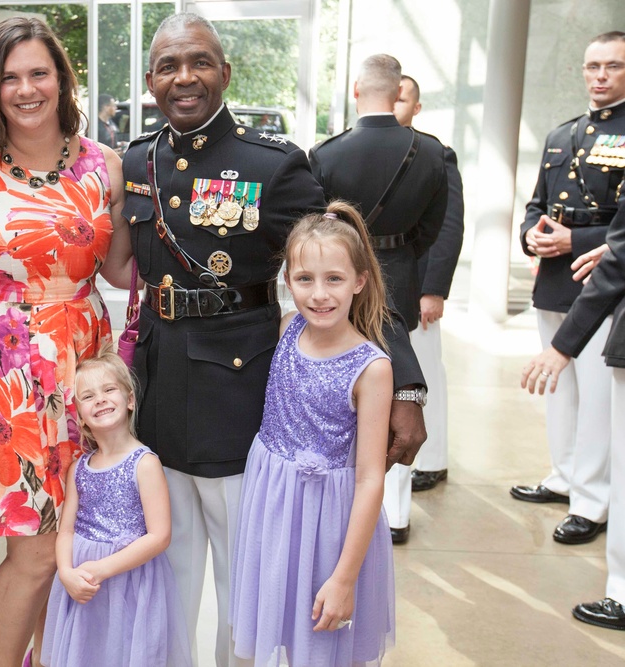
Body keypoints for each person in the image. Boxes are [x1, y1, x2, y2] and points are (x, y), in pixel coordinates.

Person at [121, 14, 424, 665]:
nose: (185, 77)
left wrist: (407, 381)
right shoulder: (136, 160)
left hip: (240, 399)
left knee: (243, 581)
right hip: (160, 390)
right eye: (169, 65)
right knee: (168, 574)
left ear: (225, 73)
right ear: (151, 81)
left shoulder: (273, 167)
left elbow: (348, 264)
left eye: (199, 61)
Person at [0, 17, 131, 667]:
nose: (25, 89)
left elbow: (123, 269)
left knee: (71, 536)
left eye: (38, 72)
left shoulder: (106, 165)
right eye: (8, 77)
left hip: (85, 361)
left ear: (62, 80)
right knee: (37, 547)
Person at [230, 201, 395, 665]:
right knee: (277, 627)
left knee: (320, 639)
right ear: (287, 281)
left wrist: (345, 577)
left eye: (334, 279)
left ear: (359, 281)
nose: (319, 294)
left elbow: (369, 478)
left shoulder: (372, 368)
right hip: (273, 505)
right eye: (305, 279)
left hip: (330, 523)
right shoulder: (287, 328)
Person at [309, 54, 448, 545]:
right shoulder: (432, 153)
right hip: (401, 273)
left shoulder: (326, 153)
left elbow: (317, 227)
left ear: (355, 91)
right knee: (395, 381)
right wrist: (401, 255)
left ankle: (348, 498)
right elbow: (431, 229)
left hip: (341, 281)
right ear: (397, 93)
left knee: (349, 388)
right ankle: (395, 512)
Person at [520, 30, 625, 633]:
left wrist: (577, 240)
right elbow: (538, 203)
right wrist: (533, 233)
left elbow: (621, 230)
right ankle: (563, 477)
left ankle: (592, 500)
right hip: (556, 278)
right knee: (558, 391)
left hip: (601, 279)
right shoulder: (563, 134)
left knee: (598, 401)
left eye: (612, 66)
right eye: (592, 65)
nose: (600, 75)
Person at [41, 346, 190, 667]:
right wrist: (66, 573)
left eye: (109, 390)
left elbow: (159, 535)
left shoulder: (144, 463)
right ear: (79, 416)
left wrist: (103, 569)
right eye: (89, 396)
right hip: (83, 583)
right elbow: (66, 530)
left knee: (124, 651)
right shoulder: (78, 467)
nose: (101, 399)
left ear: (130, 400)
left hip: (129, 581)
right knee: (88, 651)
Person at [392, 75, 465, 495]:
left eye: (403, 100)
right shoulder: (361, 149)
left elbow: (449, 225)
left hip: (417, 287)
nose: (396, 105)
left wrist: (433, 289)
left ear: (416, 108)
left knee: (423, 376)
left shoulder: (436, 154)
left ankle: (433, 460)